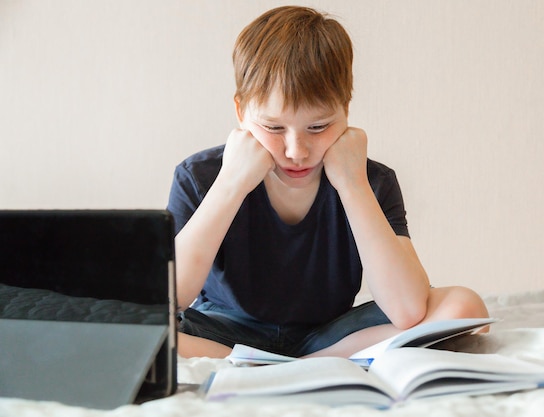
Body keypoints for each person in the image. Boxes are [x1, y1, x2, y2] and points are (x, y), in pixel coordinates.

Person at [167, 5, 489, 359]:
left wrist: (353, 185)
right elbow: (169, 298)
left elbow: (406, 309)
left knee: (464, 305)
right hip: (223, 333)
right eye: (273, 128)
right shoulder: (198, 176)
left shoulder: (373, 181)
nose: (297, 150)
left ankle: (296, 364)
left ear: (345, 110)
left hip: (328, 334)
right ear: (242, 113)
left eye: (319, 127)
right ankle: (282, 364)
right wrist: (231, 184)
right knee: (133, 322)